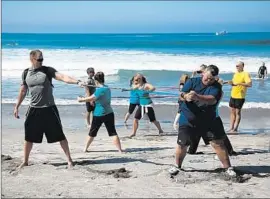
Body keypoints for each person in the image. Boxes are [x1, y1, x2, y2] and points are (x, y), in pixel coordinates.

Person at [14, 50, 85, 169]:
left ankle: (69, 160)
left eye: (42, 59)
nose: (42, 61)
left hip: (49, 109)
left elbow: (63, 77)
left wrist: (77, 82)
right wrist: (17, 106)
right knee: (29, 137)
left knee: (60, 136)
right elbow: (22, 91)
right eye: (39, 59)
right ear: (32, 59)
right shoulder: (26, 73)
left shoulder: (47, 70)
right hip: (33, 110)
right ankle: (25, 161)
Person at [169, 65, 236, 177]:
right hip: (187, 118)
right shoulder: (192, 81)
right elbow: (181, 95)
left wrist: (197, 97)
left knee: (218, 143)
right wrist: (185, 97)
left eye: (211, 79)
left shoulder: (216, 87)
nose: (208, 81)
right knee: (182, 144)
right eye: (207, 78)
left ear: (215, 78)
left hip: (208, 119)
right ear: (203, 73)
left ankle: (228, 168)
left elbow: (212, 100)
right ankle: (177, 166)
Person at [187, 78, 237, 156]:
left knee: (220, 135)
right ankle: (192, 150)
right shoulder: (214, 91)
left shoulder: (217, 93)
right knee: (197, 133)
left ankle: (230, 151)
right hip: (207, 115)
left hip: (213, 115)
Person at [77, 72, 123, 153]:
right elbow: (94, 96)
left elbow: (92, 98)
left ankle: (85, 149)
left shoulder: (99, 90)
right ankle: (120, 150)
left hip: (99, 114)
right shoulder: (107, 88)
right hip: (109, 113)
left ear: (96, 81)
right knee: (113, 132)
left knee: (92, 132)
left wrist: (81, 100)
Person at [129, 73, 164, 138]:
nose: (136, 81)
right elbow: (133, 88)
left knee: (153, 120)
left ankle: (160, 130)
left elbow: (153, 88)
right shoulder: (135, 85)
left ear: (141, 79)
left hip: (148, 105)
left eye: (138, 79)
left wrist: (147, 91)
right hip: (142, 105)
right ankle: (134, 133)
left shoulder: (146, 85)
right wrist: (138, 86)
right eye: (135, 79)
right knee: (135, 119)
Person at [228, 61, 252, 133]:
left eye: (238, 66)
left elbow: (250, 84)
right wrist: (231, 83)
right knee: (232, 112)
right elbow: (234, 84)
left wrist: (240, 83)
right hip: (233, 95)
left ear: (242, 66)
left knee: (237, 112)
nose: (237, 67)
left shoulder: (245, 74)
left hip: (240, 96)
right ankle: (231, 128)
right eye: (236, 66)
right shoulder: (235, 74)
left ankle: (235, 129)